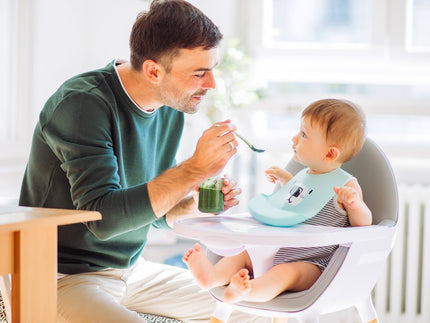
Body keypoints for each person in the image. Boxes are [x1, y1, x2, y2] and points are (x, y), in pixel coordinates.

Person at [19, 1, 267, 322]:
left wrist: (197, 203)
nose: (211, 84)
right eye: (198, 73)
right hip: (61, 275)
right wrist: (194, 168)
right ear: (153, 71)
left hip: (132, 271)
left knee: (253, 306)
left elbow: (155, 215)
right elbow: (104, 220)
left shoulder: (168, 109)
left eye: (212, 70)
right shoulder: (82, 104)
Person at [183, 98, 372, 304]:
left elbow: (363, 225)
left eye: (304, 134)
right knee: (244, 255)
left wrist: (355, 205)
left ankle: (248, 290)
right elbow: (299, 199)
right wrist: (286, 181)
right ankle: (211, 276)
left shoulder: (346, 186)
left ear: (329, 153)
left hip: (312, 262)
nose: (294, 138)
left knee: (285, 273)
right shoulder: (303, 175)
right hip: (278, 248)